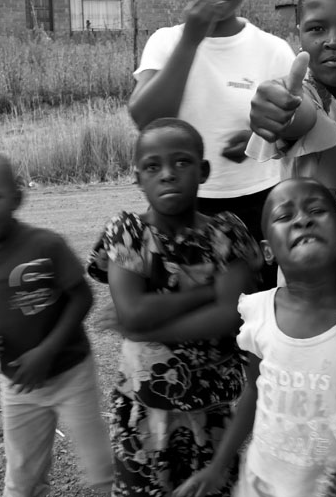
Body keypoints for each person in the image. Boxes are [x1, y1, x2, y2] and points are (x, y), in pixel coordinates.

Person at [173, 177, 336, 497]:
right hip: (264, 485)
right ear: (267, 251)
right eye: (284, 216)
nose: (302, 219)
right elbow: (254, 392)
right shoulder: (257, 314)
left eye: (316, 210)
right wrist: (218, 465)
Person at [86, 117, 263, 496]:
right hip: (144, 411)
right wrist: (206, 293)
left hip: (213, 409)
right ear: (137, 177)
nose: (167, 174)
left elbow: (228, 317)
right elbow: (133, 311)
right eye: (153, 166)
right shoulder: (128, 231)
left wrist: (145, 328)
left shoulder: (227, 233)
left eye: (181, 162)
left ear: (203, 171)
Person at [0, 151, 112, 496]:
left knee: (100, 467)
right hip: (18, 385)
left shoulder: (46, 244)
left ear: (17, 198)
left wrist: (46, 351)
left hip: (70, 373)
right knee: (22, 476)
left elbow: (82, 297)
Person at [127, 0, 295, 261]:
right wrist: (191, 40)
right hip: (182, 203)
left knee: (256, 301)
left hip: (260, 199)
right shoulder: (165, 42)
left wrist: (260, 141)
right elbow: (146, 119)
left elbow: (300, 127)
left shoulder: (272, 49)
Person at [246, 0, 336, 287]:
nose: (334, 40)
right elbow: (298, 114)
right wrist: (279, 107)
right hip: (321, 296)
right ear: (299, 36)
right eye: (317, 29)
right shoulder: (308, 96)